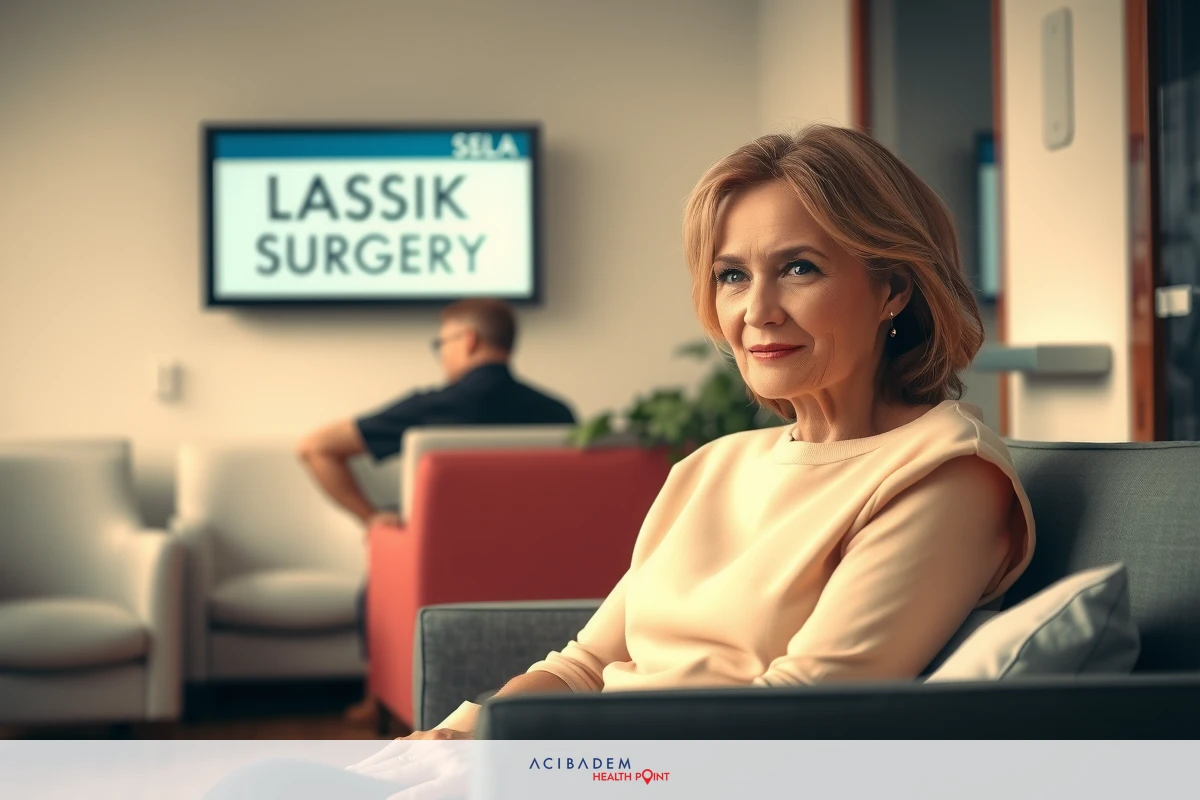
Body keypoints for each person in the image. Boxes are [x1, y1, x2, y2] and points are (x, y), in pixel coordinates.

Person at [204, 124, 1037, 796]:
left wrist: (533, 760)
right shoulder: (712, 467)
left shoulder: (944, 473)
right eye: (732, 275)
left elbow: (800, 714)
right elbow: (585, 664)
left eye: (801, 268)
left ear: (894, 288)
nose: (757, 311)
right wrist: (460, 734)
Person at [297, 297, 576, 724]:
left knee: (379, 567)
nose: (440, 352)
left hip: (440, 566)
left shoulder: (432, 409)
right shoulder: (560, 413)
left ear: (467, 340)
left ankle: (379, 699)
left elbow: (315, 447)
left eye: (439, 342)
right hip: (544, 566)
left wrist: (371, 518)